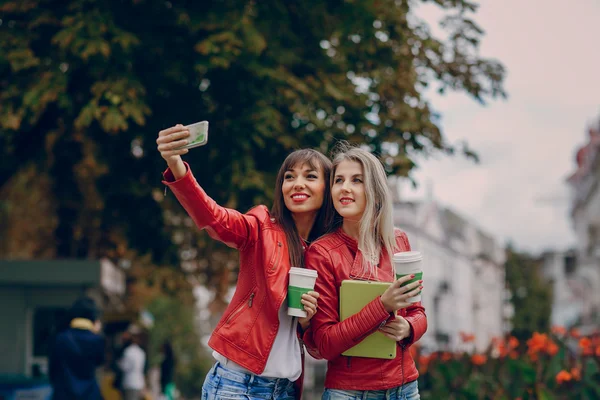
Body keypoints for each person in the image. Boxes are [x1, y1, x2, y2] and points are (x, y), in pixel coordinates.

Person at [157, 124, 335, 399]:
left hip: (285, 390)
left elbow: (318, 343)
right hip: (237, 385)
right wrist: (175, 163)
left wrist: (307, 322)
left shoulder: (324, 254)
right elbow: (213, 217)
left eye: (310, 176)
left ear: (327, 189)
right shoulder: (261, 226)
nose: (297, 183)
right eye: (289, 177)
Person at [304, 145, 428, 400]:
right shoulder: (322, 252)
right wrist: (383, 305)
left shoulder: (398, 241)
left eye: (356, 180)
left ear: (375, 191)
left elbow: (418, 312)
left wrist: (409, 327)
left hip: (404, 388)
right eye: (338, 180)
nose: (344, 188)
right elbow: (326, 343)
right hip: (348, 392)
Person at [48, 296, 105, 400]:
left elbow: (53, 368)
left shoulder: (61, 338)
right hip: (89, 394)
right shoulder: (97, 340)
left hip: (64, 394)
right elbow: (99, 361)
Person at [117, 325, 147, 400]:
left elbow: (124, 366)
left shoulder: (128, 351)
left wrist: (118, 363)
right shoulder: (141, 352)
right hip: (139, 383)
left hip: (129, 382)